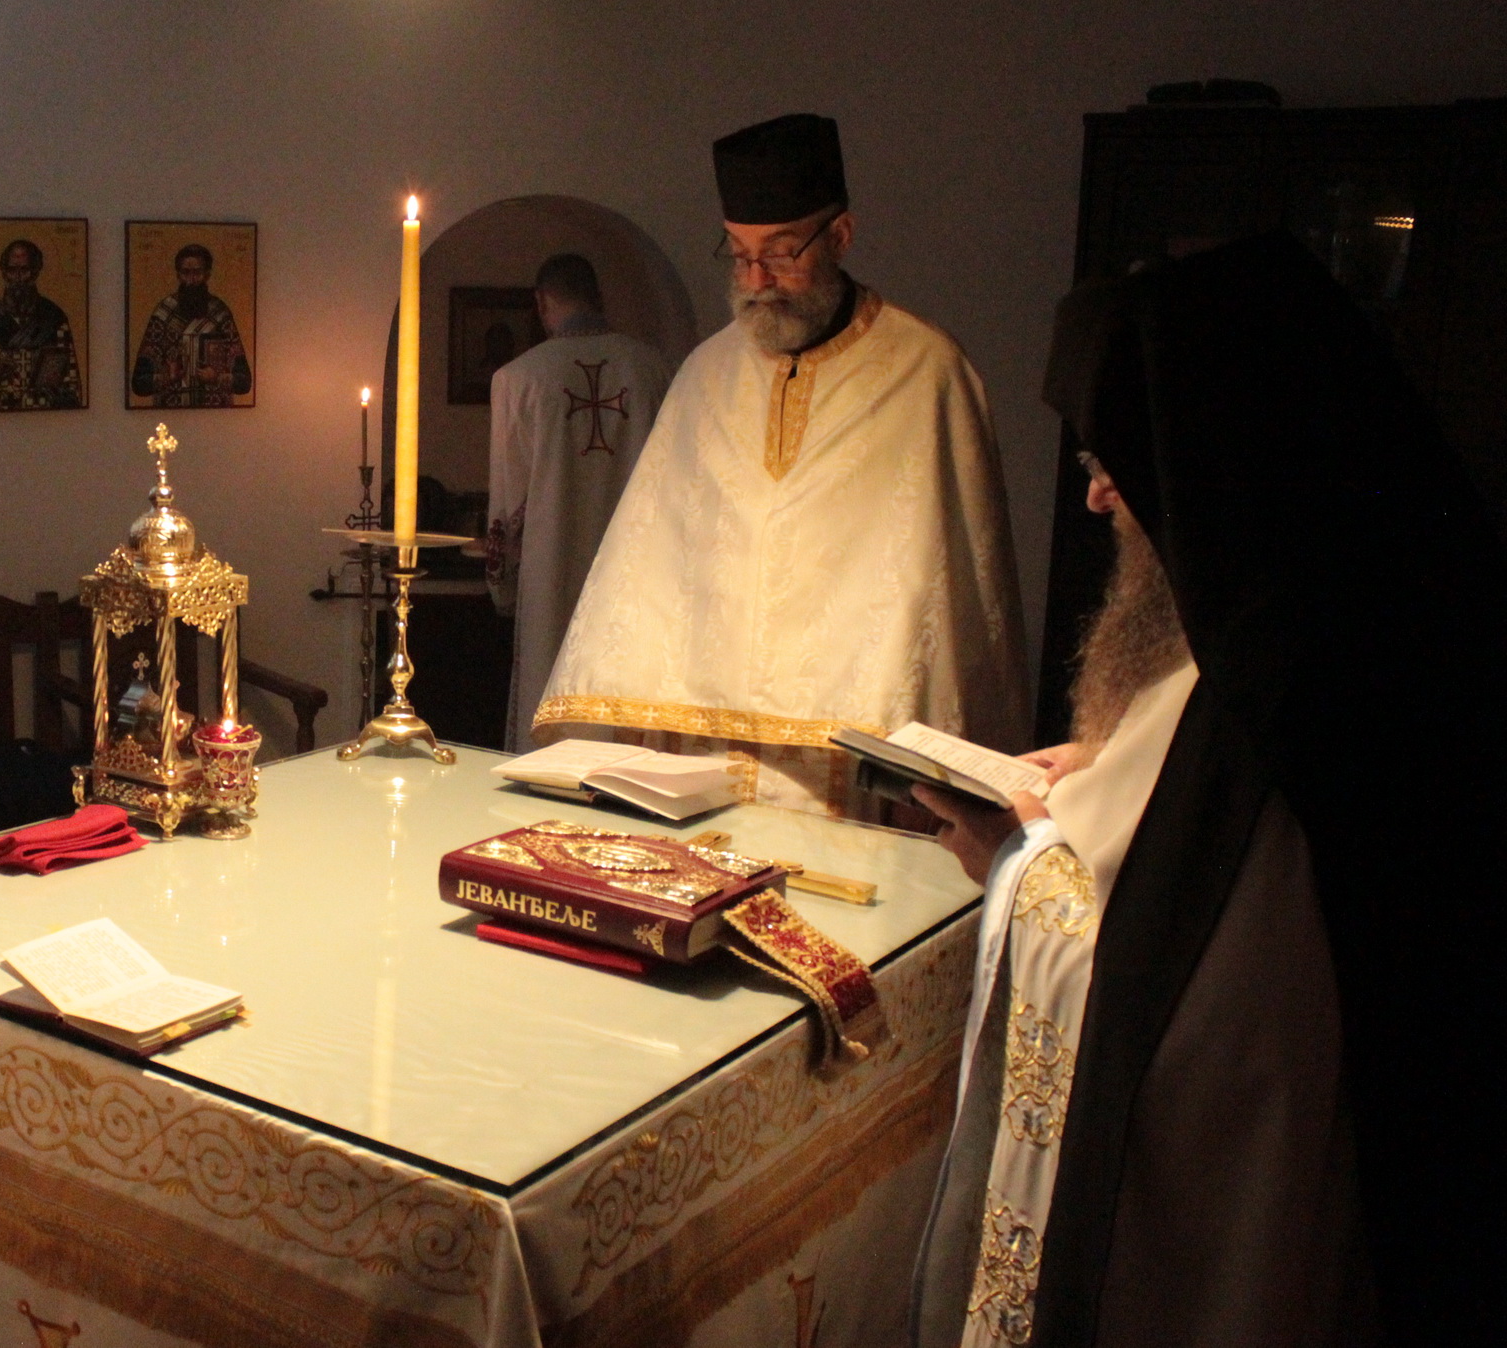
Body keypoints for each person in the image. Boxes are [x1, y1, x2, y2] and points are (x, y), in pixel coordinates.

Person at [910, 233, 1505, 1346]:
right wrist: (1106, 773)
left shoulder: (1280, 691)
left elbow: (1201, 1021)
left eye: (1115, 462)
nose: (1098, 498)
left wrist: (1011, 857)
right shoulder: (1352, 597)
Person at [538, 112, 1026, 817]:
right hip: (700, 768)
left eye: (781, 252)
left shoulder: (927, 373)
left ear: (841, 236)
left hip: (852, 771)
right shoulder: (706, 374)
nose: (757, 279)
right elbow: (649, 568)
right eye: (738, 255)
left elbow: (956, 600)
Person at [484, 253, 671, 751]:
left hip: (552, 568)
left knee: (550, 692)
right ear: (597, 296)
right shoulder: (652, 368)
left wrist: (502, 585)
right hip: (635, 568)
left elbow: (508, 496)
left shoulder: (518, 378)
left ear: (542, 302)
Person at [0, 238, 82, 410]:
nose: (18, 277)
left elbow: (71, 386)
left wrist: (45, 392)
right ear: (4, 273)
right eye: (12, 270)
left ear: (35, 272)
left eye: (24, 270)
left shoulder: (53, 319)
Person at [128, 242, 252, 407]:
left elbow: (244, 382)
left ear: (207, 274)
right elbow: (138, 384)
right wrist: (167, 377)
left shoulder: (220, 314)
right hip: (168, 414)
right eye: (186, 272)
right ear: (178, 275)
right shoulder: (163, 314)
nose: (191, 280)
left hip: (216, 415)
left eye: (197, 272)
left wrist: (217, 377)